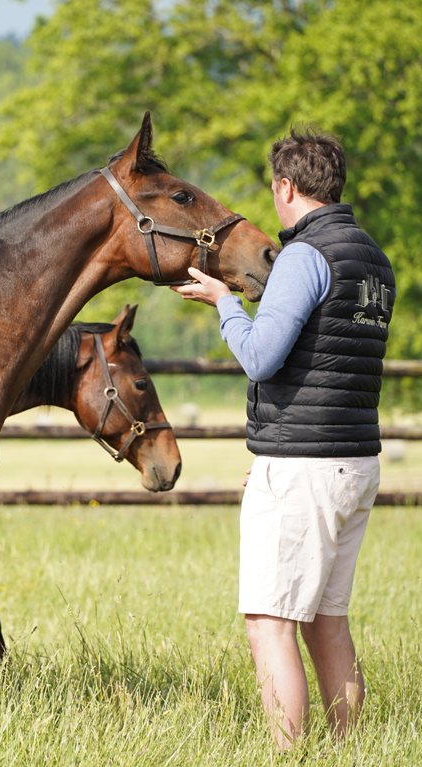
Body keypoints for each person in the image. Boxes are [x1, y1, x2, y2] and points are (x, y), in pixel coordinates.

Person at [173, 128, 395, 749]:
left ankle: (288, 755)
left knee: (269, 623)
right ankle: (348, 753)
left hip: (305, 466)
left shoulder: (304, 256)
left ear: (286, 186)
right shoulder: (374, 259)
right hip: (355, 460)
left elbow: (260, 356)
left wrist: (224, 302)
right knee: (327, 622)